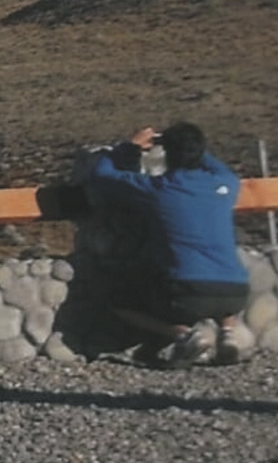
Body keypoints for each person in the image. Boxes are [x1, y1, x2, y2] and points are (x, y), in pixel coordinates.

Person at [86, 122, 250, 367]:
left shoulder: (160, 189)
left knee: (120, 302)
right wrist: (192, 148)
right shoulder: (226, 183)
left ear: (168, 155)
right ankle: (227, 334)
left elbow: (102, 175)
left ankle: (185, 335)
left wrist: (129, 147)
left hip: (187, 294)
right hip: (236, 293)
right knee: (220, 280)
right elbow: (217, 167)